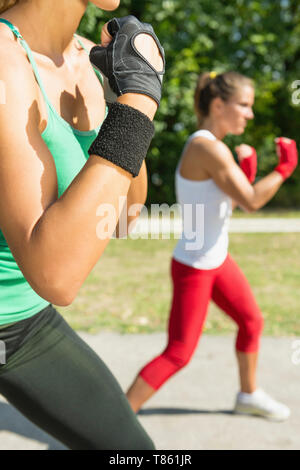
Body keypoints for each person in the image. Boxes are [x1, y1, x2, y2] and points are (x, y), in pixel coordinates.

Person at [0, 0, 165, 450]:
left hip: (22, 325)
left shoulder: (90, 58)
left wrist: (125, 99)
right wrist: (138, 104)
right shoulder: (4, 60)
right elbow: (55, 275)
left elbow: (125, 216)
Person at [126, 71, 298, 421]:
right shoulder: (207, 147)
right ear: (219, 105)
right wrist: (285, 168)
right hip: (195, 266)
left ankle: (248, 395)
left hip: (216, 259)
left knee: (252, 322)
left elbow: (228, 202)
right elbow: (250, 201)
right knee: (178, 353)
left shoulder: (210, 147)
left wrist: (246, 172)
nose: (249, 114)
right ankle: (113, 423)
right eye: (244, 105)